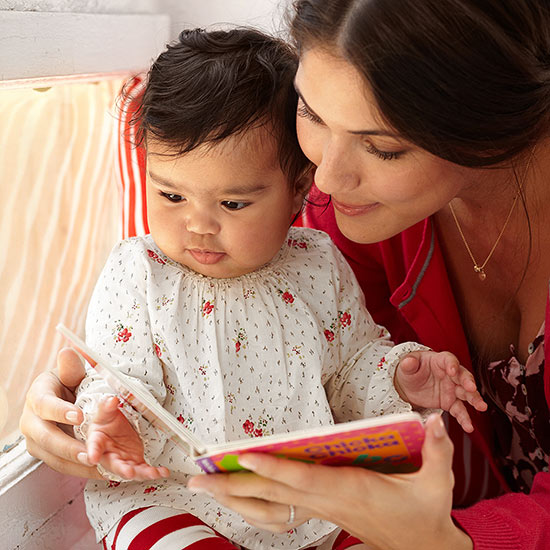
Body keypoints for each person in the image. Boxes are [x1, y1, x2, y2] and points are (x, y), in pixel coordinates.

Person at [19, 0, 550, 548]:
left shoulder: (311, 255)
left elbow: (351, 367)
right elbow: (127, 382)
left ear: (492, 126)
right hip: (178, 496)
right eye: (313, 113)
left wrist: (396, 381)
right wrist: (87, 406)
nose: (326, 175)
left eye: (383, 148)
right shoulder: (337, 218)